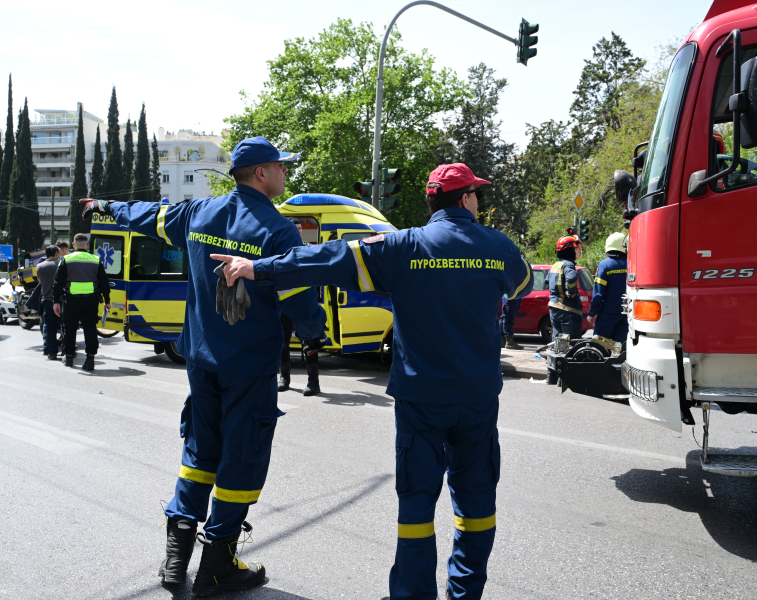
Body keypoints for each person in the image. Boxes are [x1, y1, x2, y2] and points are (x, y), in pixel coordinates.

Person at [214, 163, 534, 600]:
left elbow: (327, 258)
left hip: (421, 399)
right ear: (465, 200)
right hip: (478, 400)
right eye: (476, 193)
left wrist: (260, 268)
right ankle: (465, 594)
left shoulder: (402, 246)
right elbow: (520, 285)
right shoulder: (499, 247)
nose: (478, 200)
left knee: (417, 506)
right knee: (477, 505)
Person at [79, 137, 326, 595]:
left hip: (200, 358)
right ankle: (216, 566)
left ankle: (176, 562)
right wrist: (317, 331)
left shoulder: (197, 214)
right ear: (260, 174)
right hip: (248, 365)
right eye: (280, 167)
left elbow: (147, 216)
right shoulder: (277, 230)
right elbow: (298, 299)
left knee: (199, 454)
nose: (285, 174)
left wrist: (103, 206)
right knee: (241, 459)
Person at [278, 217, 323, 396]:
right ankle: (284, 378)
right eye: (294, 228)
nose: (298, 231)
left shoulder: (308, 248)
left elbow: (318, 274)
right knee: (283, 342)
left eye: (299, 228)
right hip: (284, 304)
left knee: (310, 342)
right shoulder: (280, 250)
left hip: (304, 304)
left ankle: (313, 382)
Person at [53, 233, 110, 371]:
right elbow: (104, 282)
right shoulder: (96, 260)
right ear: (87, 245)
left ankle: (68, 357)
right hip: (90, 301)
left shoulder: (66, 259)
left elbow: (58, 282)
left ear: (73, 245)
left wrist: (56, 302)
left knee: (70, 329)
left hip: (71, 300)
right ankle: (90, 359)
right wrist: (107, 300)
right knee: (90, 329)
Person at [546, 235, 583, 385]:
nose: (577, 252)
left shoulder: (555, 265)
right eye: (575, 249)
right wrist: (571, 293)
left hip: (554, 309)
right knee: (570, 344)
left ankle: (552, 376)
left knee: (557, 343)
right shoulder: (568, 265)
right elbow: (572, 278)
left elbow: (548, 282)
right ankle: (565, 379)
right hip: (568, 311)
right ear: (569, 251)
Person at [587, 233, 629, 345]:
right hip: (627, 313)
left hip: (607, 314)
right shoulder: (632, 265)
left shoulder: (605, 265)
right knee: (621, 347)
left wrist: (592, 313)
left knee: (601, 346)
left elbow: (598, 293)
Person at [35, 245, 61, 360]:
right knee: (65, 326)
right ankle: (66, 350)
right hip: (60, 301)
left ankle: (51, 352)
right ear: (56, 253)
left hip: (46, 300)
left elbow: (40, 281)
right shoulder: (59, 264)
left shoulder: (39, 266)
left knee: (50, 326)